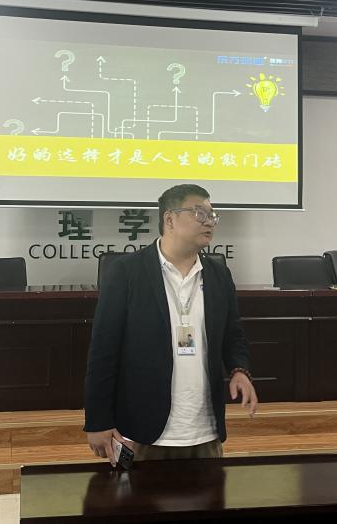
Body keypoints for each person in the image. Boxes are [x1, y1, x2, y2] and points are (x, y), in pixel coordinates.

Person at [84, 184, 257, 464]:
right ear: (169, 219)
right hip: (141, 432)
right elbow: (103, 352)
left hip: (206, 431)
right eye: (200, 213)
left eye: (213, 215)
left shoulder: (218, 274)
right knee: (134, 494)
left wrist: (240, 370)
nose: (210, 222)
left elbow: (233, 335)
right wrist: (97, 420)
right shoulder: (126, 272)